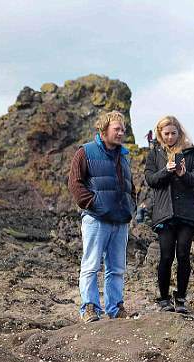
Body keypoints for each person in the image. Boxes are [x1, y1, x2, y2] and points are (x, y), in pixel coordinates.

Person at [68, 110, 135, 321]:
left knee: (116, 269)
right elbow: (75, 183)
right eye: (117, 129)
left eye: (123, 129)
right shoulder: (85, 152)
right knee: (91, 265)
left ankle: (116, 309)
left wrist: (129, 207)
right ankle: (89, 308)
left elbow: (130, 186)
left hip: (120, 221)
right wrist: (94, 204)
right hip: (96, 220)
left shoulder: (123, 157)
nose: (121, 133)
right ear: (104, 129)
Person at [143, 115, 194, 314]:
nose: (170, 137)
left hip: (187, 212)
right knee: (166, 256)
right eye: (166, 133)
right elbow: (150, 179)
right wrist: (166, 170)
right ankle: (163, 299)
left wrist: (182, 174)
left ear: (179, 133)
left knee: (184, 255)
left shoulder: (190, 153)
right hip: (164, 213)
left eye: (173, 133)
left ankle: (180, 299)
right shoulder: (154, 154)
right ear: (160, 134)